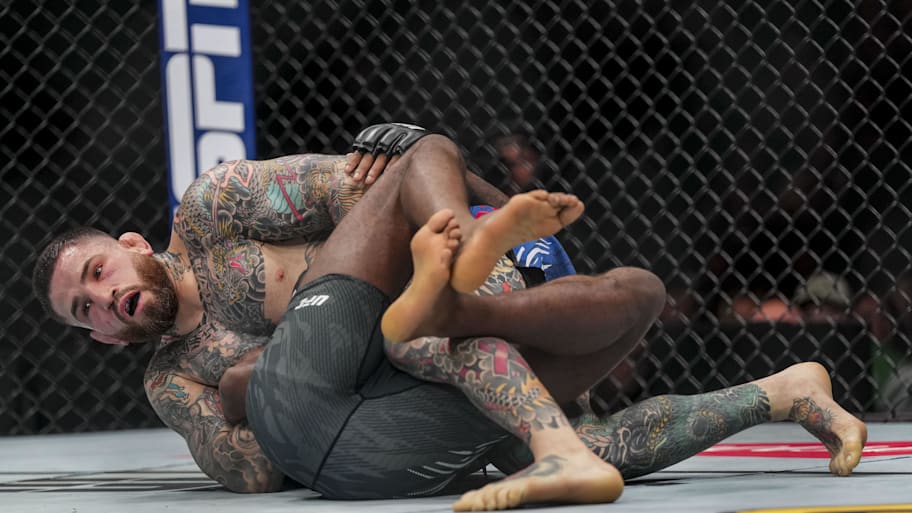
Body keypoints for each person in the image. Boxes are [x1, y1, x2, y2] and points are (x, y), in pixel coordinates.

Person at [33, 126, 866, 510]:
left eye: (98, 273)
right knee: (580, 421)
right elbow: (255, 473)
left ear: (132, 243)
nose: (103, 299)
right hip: (393, 391)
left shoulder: (215, 209)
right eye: (84, 312)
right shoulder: (172, 378)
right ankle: (781, 389)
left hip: (438, 289)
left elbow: (362, 186)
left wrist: (497, 223)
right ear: (99, 336)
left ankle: (777, 391)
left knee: (422, 188)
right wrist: (248, 386)